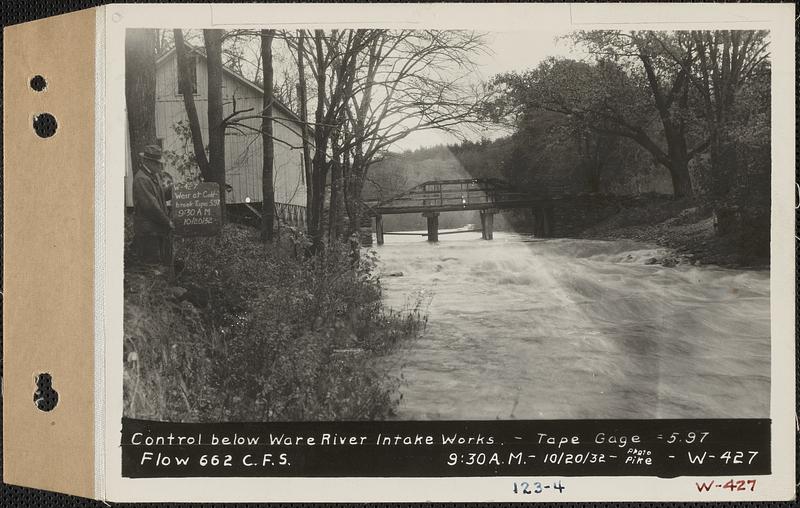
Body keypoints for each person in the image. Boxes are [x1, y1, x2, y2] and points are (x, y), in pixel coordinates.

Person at [132, 145, 173, 265]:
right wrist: (168, 222)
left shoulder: (155, 175)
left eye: (159, 163)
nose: (159, 166)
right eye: (156, 163)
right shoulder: (141, 179)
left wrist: (174, 191)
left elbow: (160, 196)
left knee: (161, 264)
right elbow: (151, 207)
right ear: (146, 162)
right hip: (148, 232)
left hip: (157, 229)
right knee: (152, 266)